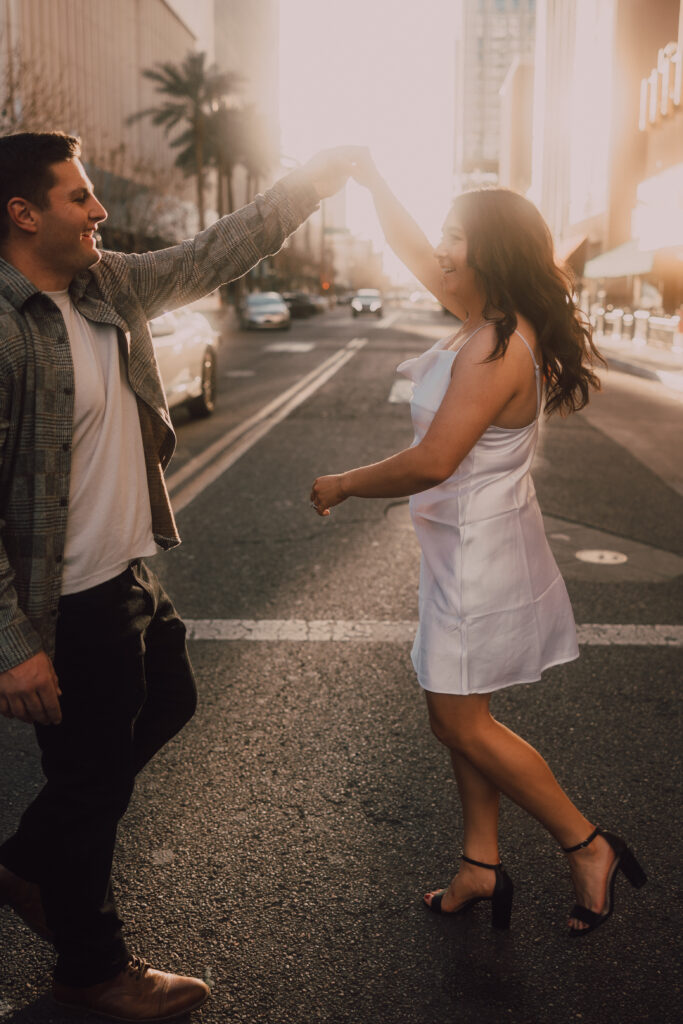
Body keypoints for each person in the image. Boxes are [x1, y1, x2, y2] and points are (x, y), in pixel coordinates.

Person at [0, 130, 357, 1021]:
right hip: (64, 604)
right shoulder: (5, 331)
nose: (98, 211)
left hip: (125, 570)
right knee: (88, 779)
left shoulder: (105, 284)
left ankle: (28, 861)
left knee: (163, 706)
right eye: (80, 197)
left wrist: (318, 175)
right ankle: (91, 973)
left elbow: (213, 252)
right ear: (23, 212)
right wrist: (12, 644)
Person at [310, 151, 647, 936]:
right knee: (461, 715)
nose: (440, 246)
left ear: (489, 251)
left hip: (479, 560)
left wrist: (343, 482)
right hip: (468, 547)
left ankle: (585, 842)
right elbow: (406, 246)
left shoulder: (495, 347)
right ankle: (479, 866)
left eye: (455, 235)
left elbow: (433, 461)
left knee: (459, 722)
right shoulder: (487, 323)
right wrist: (376, 181)